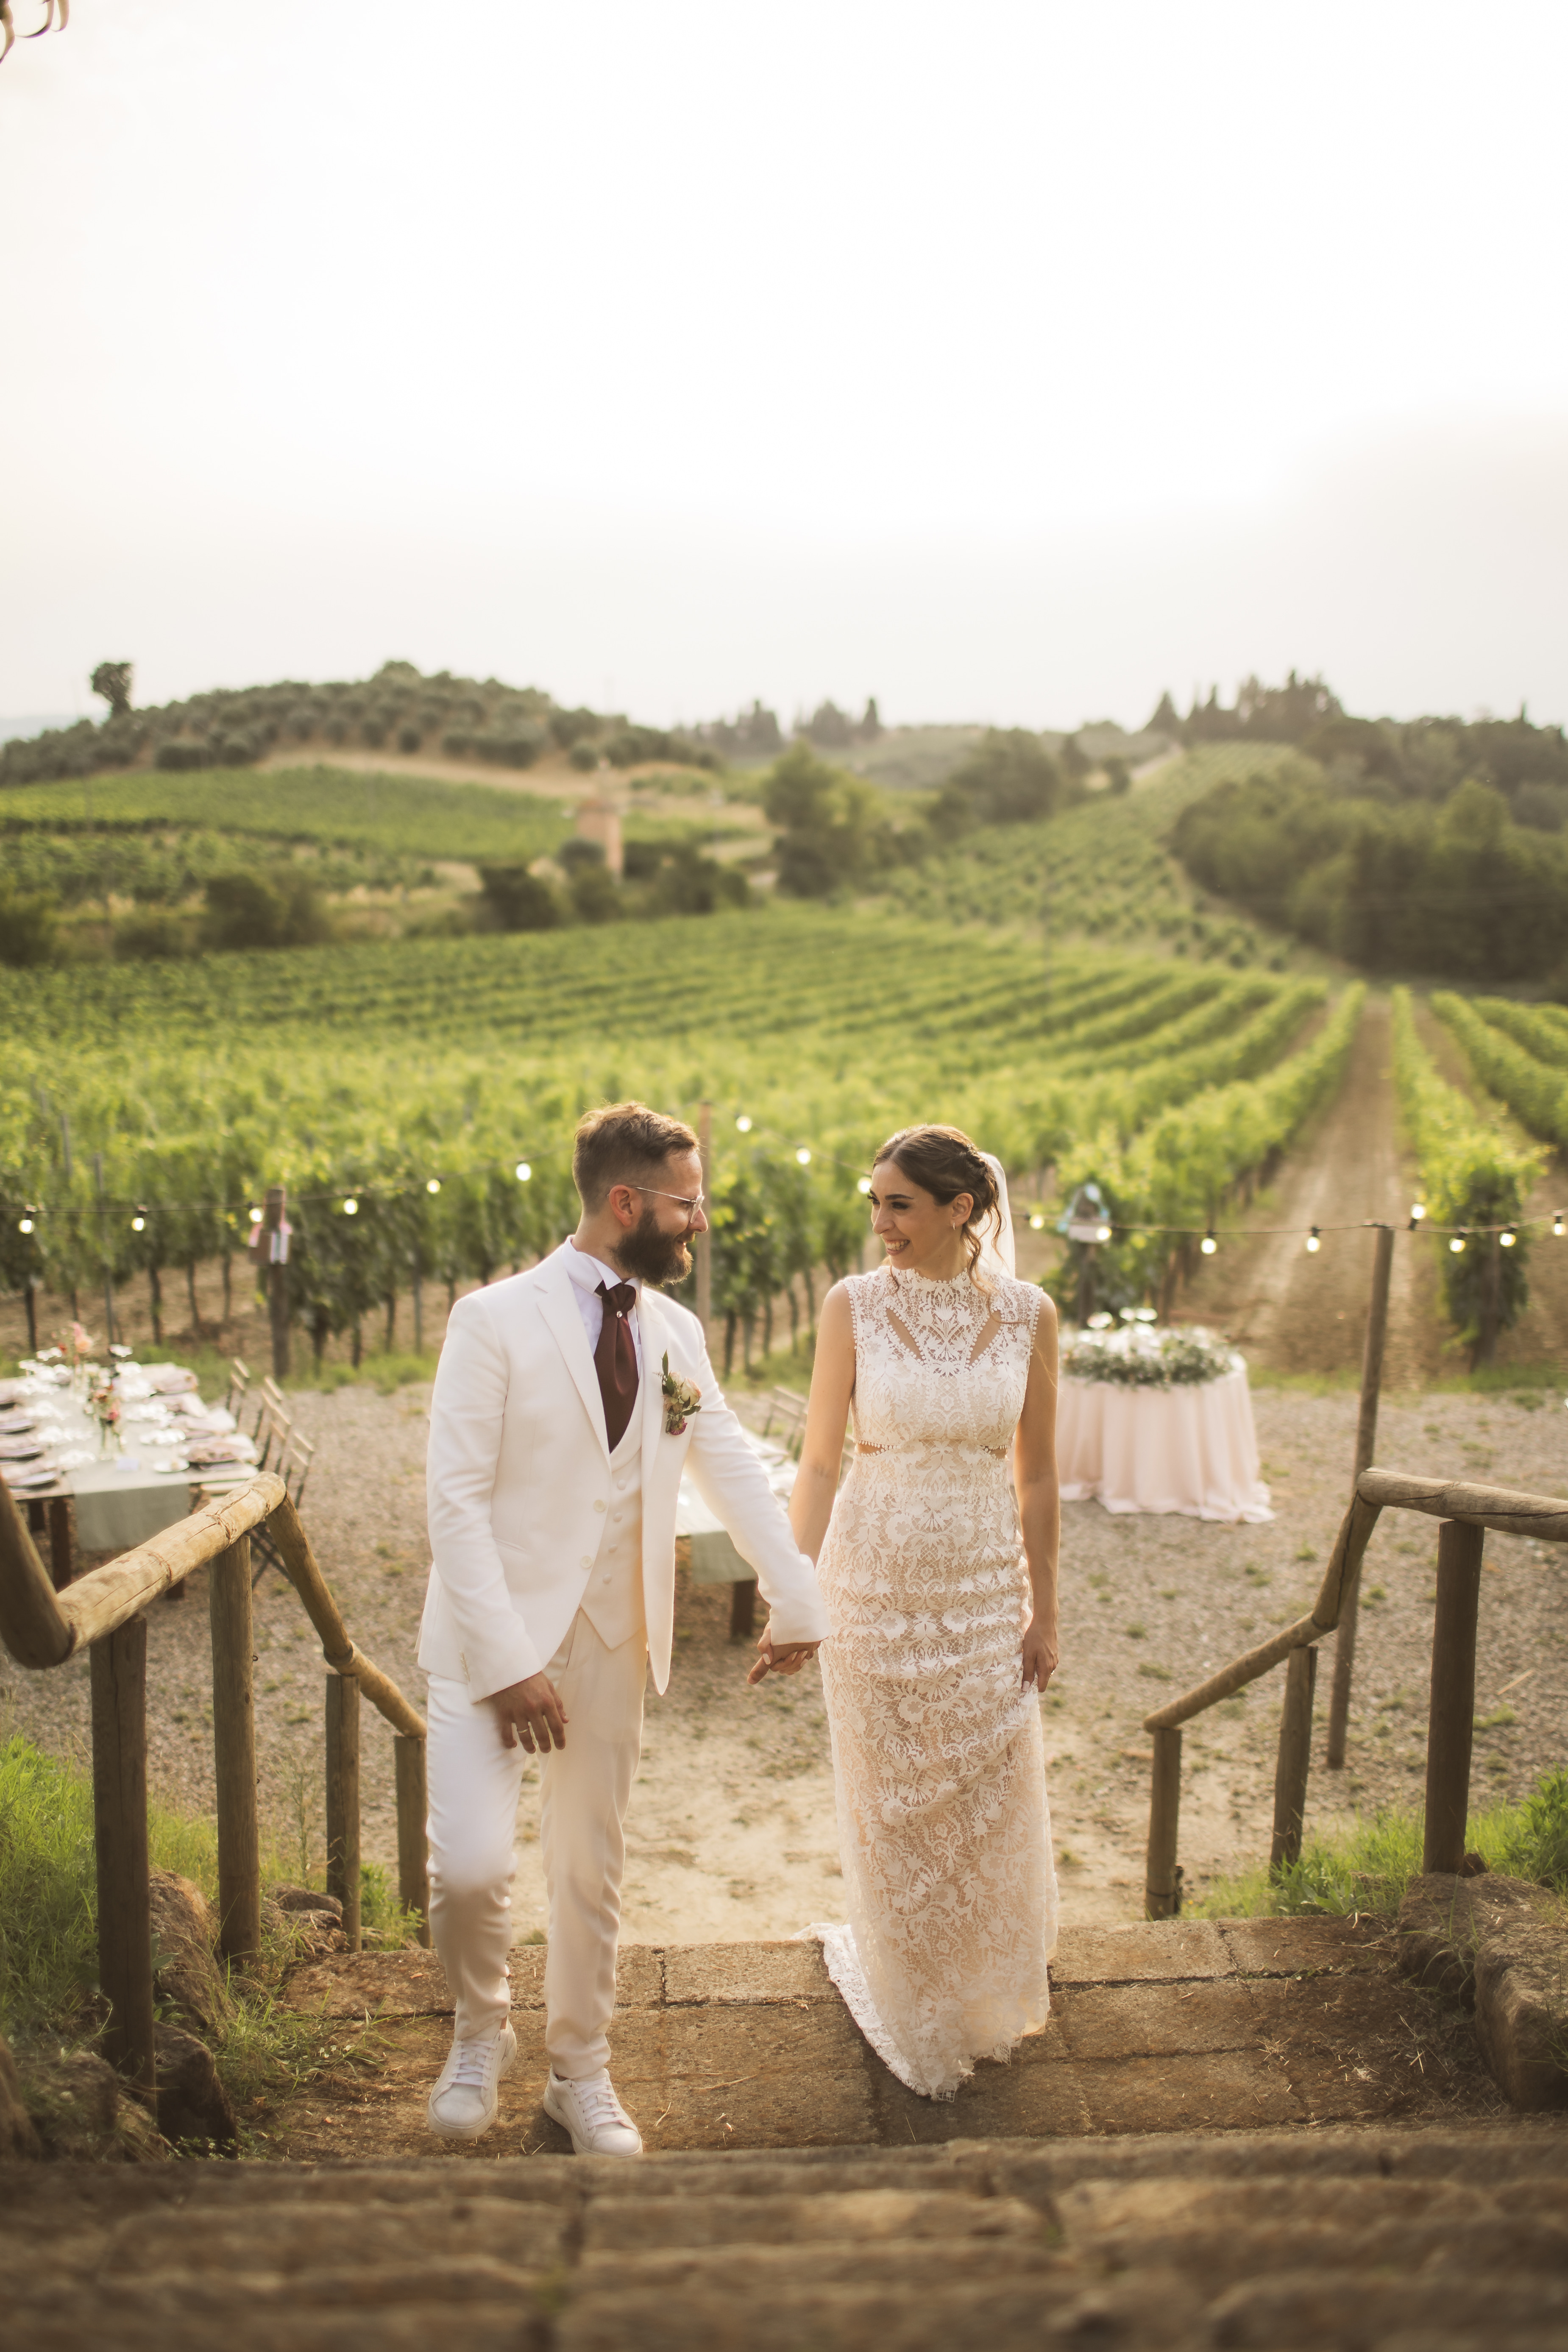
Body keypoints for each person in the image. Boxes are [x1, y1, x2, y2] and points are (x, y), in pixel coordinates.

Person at [419, 1101, 828, 2153]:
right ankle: (479, 2031)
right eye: (687, 1204)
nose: (699, 1223)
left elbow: (728, 1459)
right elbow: (453, 1502)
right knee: (467, 1868)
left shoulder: (674, 1332)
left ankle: (578, 2069)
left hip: (612, 1636)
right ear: (625, 1201)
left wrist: (797, 1595)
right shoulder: (492, 1318)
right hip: (488, 1644)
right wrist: (509, 1663)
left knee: (587, 1865)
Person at [792, 1124, 1060, 2098]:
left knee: (986, 1805)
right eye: (873, 1203)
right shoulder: (850, 1306)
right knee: (894, 1813)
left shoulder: (1031, 1314)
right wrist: (793, 1592)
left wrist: (1045, 1612)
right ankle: (914, 2002)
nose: (878, 1223)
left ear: (962, 1208)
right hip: (869, 1589)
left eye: (897, 1204)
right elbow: (819, 1461)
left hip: (988, 1593)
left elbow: (1038, 1478)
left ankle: (979, 1993)